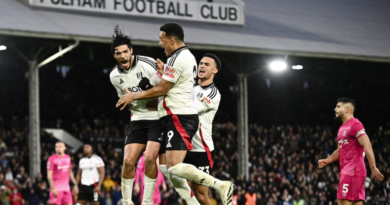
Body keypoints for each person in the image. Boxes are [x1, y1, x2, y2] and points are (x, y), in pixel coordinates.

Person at [116, 23, 233, 205]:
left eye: (162, 40)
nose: (160, 44)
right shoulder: (177, 58)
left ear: (171, 40)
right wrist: (164, 74)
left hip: (183, 121)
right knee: (167, 169)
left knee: (177, 171)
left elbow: (163, 89)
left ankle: (220, 185)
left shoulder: (181, 59)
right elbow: (173, 86)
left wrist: (135, 95)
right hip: (172, 118)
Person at [109, 25, 163, 205]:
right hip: (138, 119)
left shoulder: (147, 64)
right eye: (119, 53)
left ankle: (146, 202)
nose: (123, 56)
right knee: (128, 161)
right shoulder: (114, 76)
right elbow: (127, 100)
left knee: (149, 158)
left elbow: (165, 91)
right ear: (114, 55)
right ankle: (126, 201)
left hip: (157, 118)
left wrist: (144, 92)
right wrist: (131, 100)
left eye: (126, 51)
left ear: (131, 51)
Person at [318, 98, 384, 205]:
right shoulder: (342, 128)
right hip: (354, 172)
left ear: (347, 109)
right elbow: (341, 149)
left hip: (352, 171)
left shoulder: (354, 124)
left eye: (338, 106)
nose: (335, 109)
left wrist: (373, 167)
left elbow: (367, 144)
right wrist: (328, 160)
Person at [182, 53, 222, 205]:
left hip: (201, 150)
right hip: (185, 147)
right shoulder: (191, 88)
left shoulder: (212, 93)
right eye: (201, 63)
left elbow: (191, 110)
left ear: (214, 71)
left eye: (207, 64)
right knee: (185, 194)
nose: (202, 66)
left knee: (201, 196)